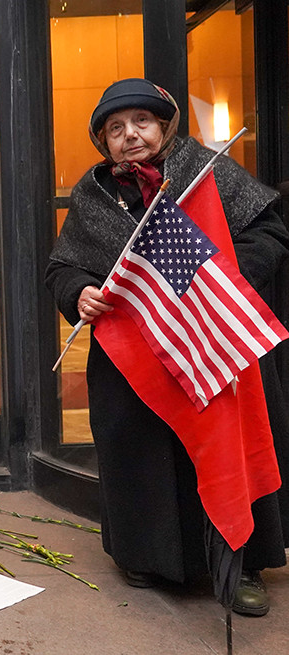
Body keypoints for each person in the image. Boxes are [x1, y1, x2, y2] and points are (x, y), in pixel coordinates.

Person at [45, 78, 289, 616]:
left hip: (214, 341)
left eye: (141, 122)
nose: (130, 135)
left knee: (229, 450)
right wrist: (78, 293)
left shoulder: (207, 173)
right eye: (115, 128)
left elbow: (268, 234)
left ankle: (243, 564)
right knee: (140, 452)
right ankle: (147, 555)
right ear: (103, 141)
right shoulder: (93, 195)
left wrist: (218, 283)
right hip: (133, 356)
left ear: (163, 125)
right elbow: (63, 267)